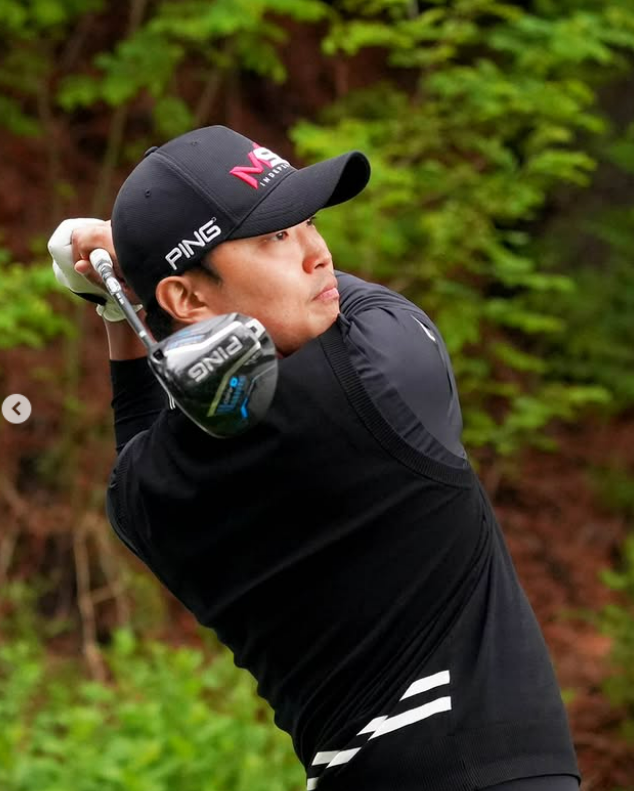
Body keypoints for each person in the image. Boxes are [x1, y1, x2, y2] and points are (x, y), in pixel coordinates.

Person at [48, 125, 581, 791]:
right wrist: (128, 272)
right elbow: (338, 301)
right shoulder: (379, 376)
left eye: (309, 223)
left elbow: (141, 426)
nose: (318, 255)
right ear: (186, 296)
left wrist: (121, 300)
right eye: (276, 236)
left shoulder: (143, 495)